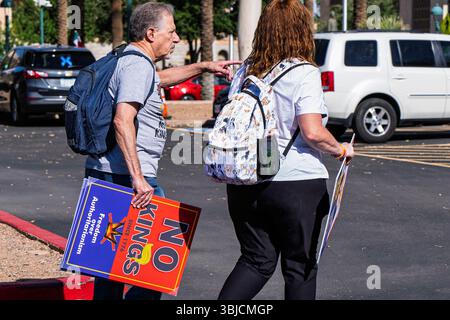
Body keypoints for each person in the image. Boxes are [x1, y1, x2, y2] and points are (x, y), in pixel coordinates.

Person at [84, 2, 240, 300]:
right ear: (152, 33)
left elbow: (159, 81)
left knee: (109, 270)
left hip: (109, 173)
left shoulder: (130, 60)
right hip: (128, 180)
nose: (177, 38)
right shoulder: (136, 65)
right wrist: (139, 178)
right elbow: (122, 119)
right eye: (172, 31)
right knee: (155, 269)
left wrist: (203, 67)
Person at [217, 0, 354, 300]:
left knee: (256, 260)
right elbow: (312, 131)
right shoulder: (303, 72)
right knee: (299, 268)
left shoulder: (245, 72)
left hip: (246, 180)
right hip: (295, 184)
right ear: (302, 30)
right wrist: (340, 149)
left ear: (263, 30)